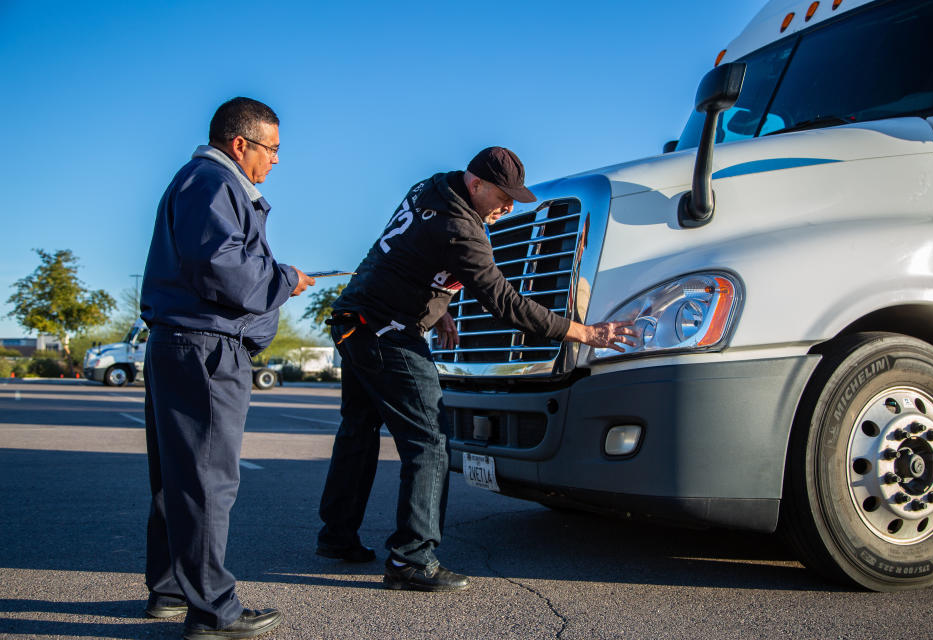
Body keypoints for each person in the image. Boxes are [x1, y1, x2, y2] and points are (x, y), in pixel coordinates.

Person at [316, 146, 635, 592]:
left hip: (354, 320)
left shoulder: (431, 186)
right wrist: (586, 334)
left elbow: (409, 253)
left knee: (358, 431)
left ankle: (336, 536)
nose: (507, 207)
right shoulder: (462, 229)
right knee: (429, 443)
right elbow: (505, 303)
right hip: (388, 332)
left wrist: (437, 307)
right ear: (476, 184)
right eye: (503, 197)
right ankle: (412, 559)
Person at [140, 97, 315, 639]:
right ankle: (213, 611)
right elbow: (225, 270)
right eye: (273, 149)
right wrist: (285, 279)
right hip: (205, 351)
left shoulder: (201, 183)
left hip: (184, 345)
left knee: (180, 478)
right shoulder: (215, 183)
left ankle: (172, 590)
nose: (277, 160)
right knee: (208, 481)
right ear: (242, 144)